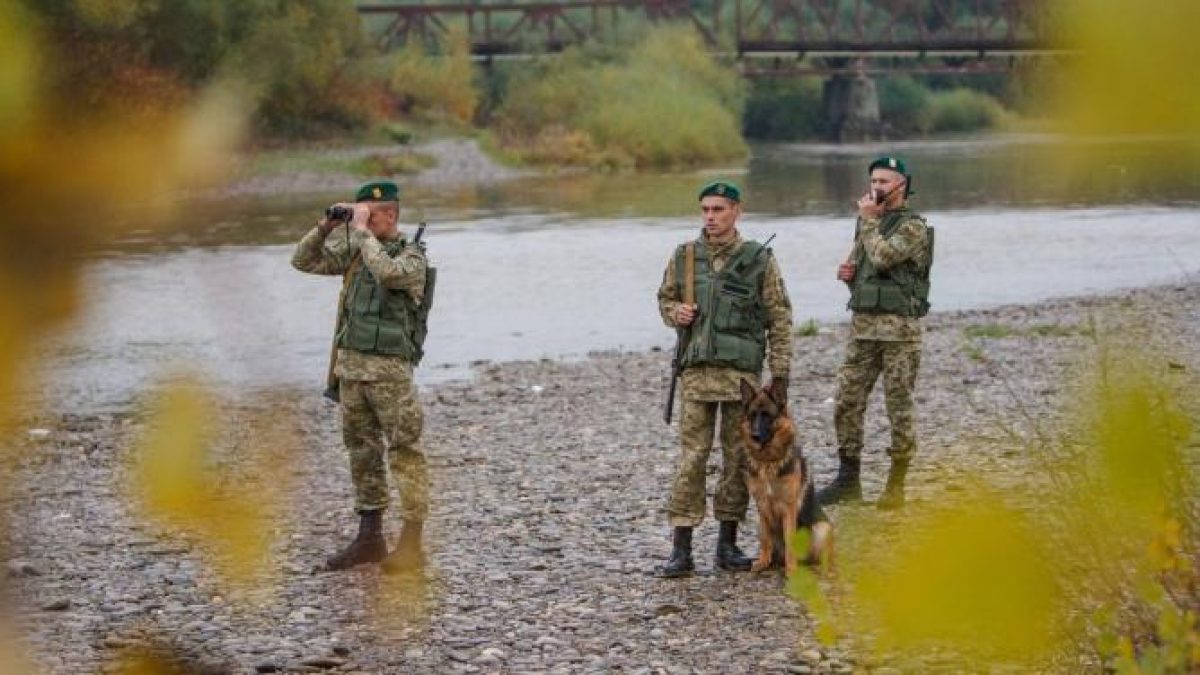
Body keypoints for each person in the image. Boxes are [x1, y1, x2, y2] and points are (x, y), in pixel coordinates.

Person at [655, 180, 794, 578]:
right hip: (697, 374)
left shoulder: (759, 259)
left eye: (718, 210)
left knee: (737, 459)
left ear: (737, 211)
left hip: (741, 380)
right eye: (705, 210)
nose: (710, 217)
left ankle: (727, 543)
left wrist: (779, 376)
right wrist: (675, 313)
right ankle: (681, 548)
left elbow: (779, 317)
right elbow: (665, 298)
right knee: (692, 458)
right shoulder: (685, 257)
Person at [291, 180, 431, 572]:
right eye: (362, 212)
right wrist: (325, 227)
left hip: (390, 374)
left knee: (405, 451)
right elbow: (302, 261)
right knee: (362, 452)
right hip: (351, 371)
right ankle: (369, 538)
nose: (363, 219)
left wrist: (363, 232)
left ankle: (411, 543)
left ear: (390, 214)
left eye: (372, 212)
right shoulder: (355, 250)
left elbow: (387, 274)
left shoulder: (411, 256)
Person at [817, 157, 934, 510]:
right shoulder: (866, 223)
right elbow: (867, 269)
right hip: (864, 329)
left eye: (885, 181)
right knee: (846, 401)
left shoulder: (914, 227)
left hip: (900, 332)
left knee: (898, 406)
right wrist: (849, 275)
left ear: (902, 185)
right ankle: (848, 479)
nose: (877, 187)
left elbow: (884, 257)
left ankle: (896, 484)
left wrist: (869, 223)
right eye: (873, 180)